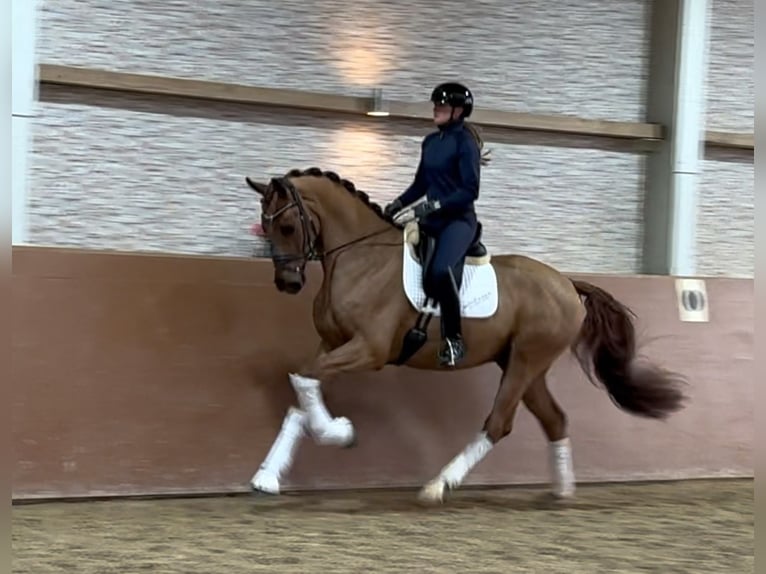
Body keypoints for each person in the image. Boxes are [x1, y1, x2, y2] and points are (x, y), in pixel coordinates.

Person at [384, 81, 489, 368]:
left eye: (441, 106)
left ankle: (453, 340)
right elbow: (421, 184)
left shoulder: (465, 143)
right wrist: (397, 203)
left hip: (458, 223)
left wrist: (437, 204)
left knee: (441, 270)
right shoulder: (430, 142)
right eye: (435, 105)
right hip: (430, 221)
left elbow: (470, 190)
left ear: (458, 111)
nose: (436, 110)